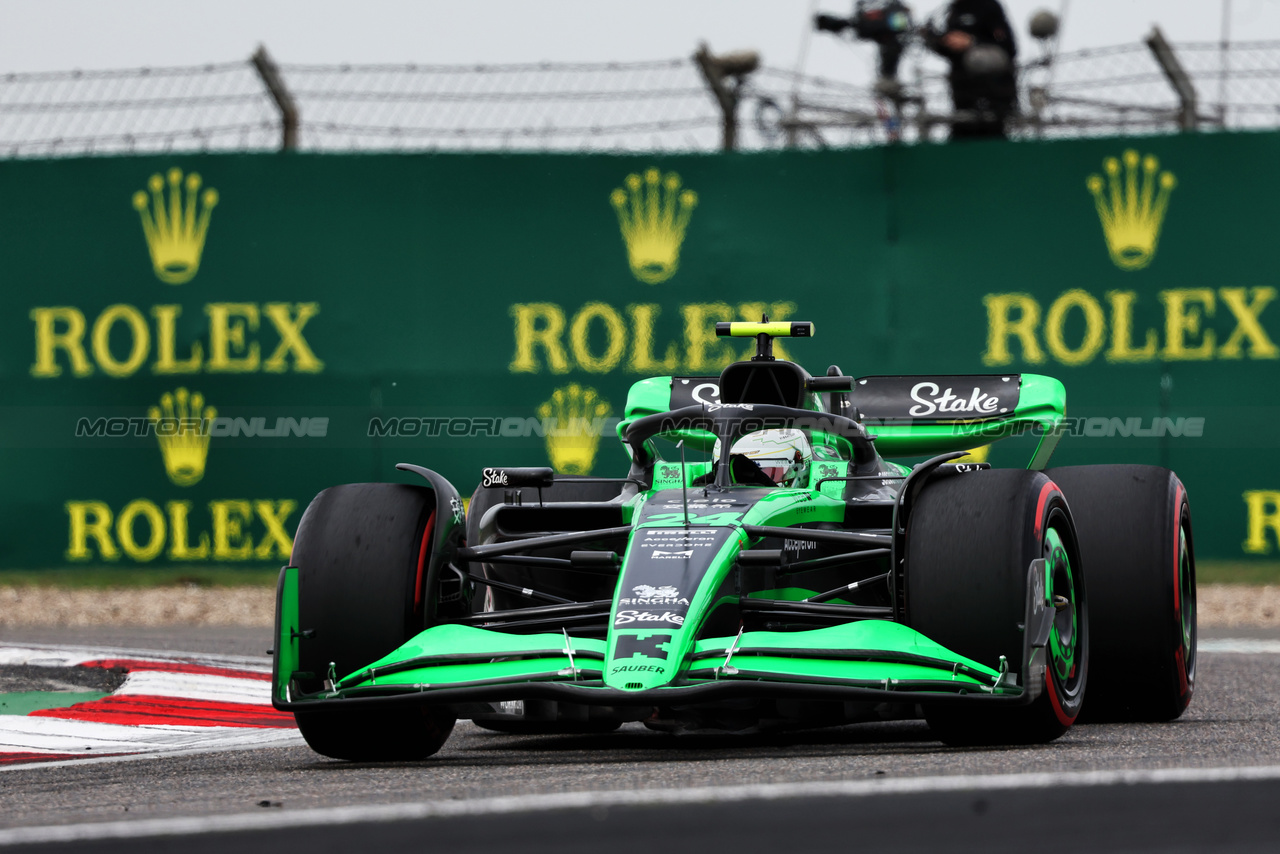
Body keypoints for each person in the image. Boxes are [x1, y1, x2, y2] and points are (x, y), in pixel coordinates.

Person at [926, 0, 1018, 139]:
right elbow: (951, 51)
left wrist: (973, 42)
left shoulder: (989, 7)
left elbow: (1008, 48)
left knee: (993, 137)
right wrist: (935, 40)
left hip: (992, 98)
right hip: (962, 96)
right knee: (960, 138)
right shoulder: (953, 10)